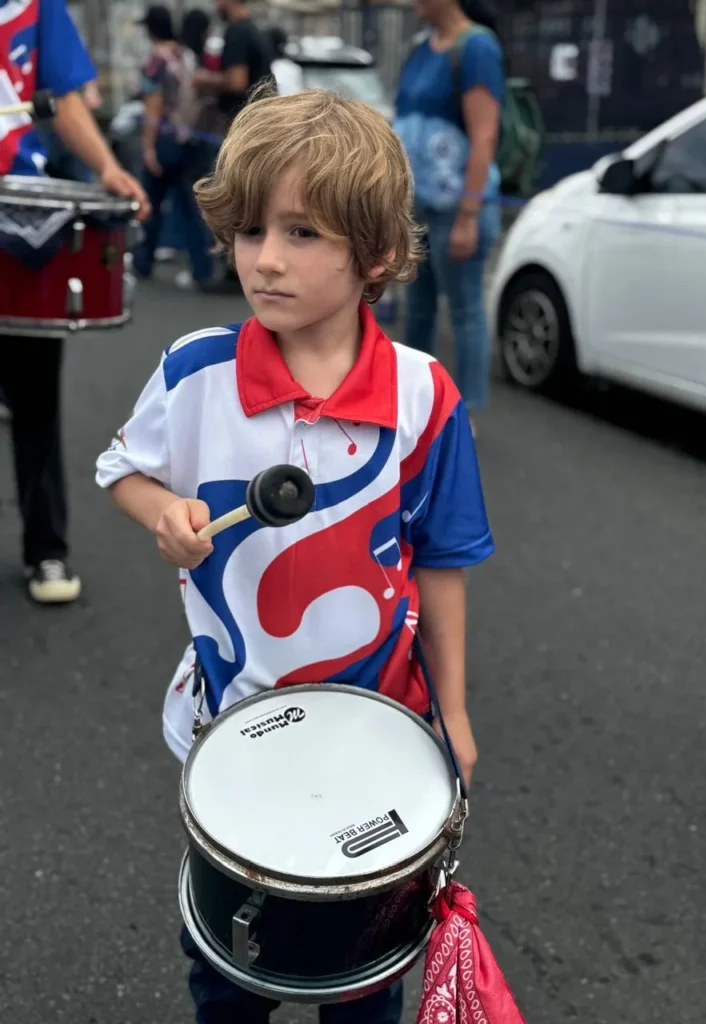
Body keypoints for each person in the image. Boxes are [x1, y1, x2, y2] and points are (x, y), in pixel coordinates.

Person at [95, 85, 493, 1023]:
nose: (264, 260)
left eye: (303, 233)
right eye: (249, 231)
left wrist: (457, 713)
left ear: (379, 255)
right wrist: (161, 511)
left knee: (364, 974)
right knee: (230, 968)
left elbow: (441, 560)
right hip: (230, 722)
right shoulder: (197, 372)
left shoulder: (422, 395)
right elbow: (122, 466)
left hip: (376, 728)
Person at [0, 0, 147, 604]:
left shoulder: (34, 7)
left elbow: (59, 98)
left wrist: (108, 168)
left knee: (34, 392)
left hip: (16, 210)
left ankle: (47, 550)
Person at [394, 0, 504, 432]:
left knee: (464, 308)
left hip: (456, 208)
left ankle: (465, 412)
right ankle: (416, 404)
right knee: (417, 307)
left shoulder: (476, 47)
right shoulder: (422, 47)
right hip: (418, 207)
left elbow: (485, 134)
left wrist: (469, 214)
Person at [132, 5, 218, 290]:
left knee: (150, 204)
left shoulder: (155, 61)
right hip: (191, 139)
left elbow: (153, 106)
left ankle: (142, 263)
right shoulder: (188, 56)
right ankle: (202, 269)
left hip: (165, 140)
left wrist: (147, 147)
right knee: (191, 207)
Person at [194, 0, 273, 125]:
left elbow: (236, 82)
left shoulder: (237, 31)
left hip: (244, 122)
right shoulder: (252, 29)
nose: (216, 5)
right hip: (259, 119)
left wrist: (204, 79)